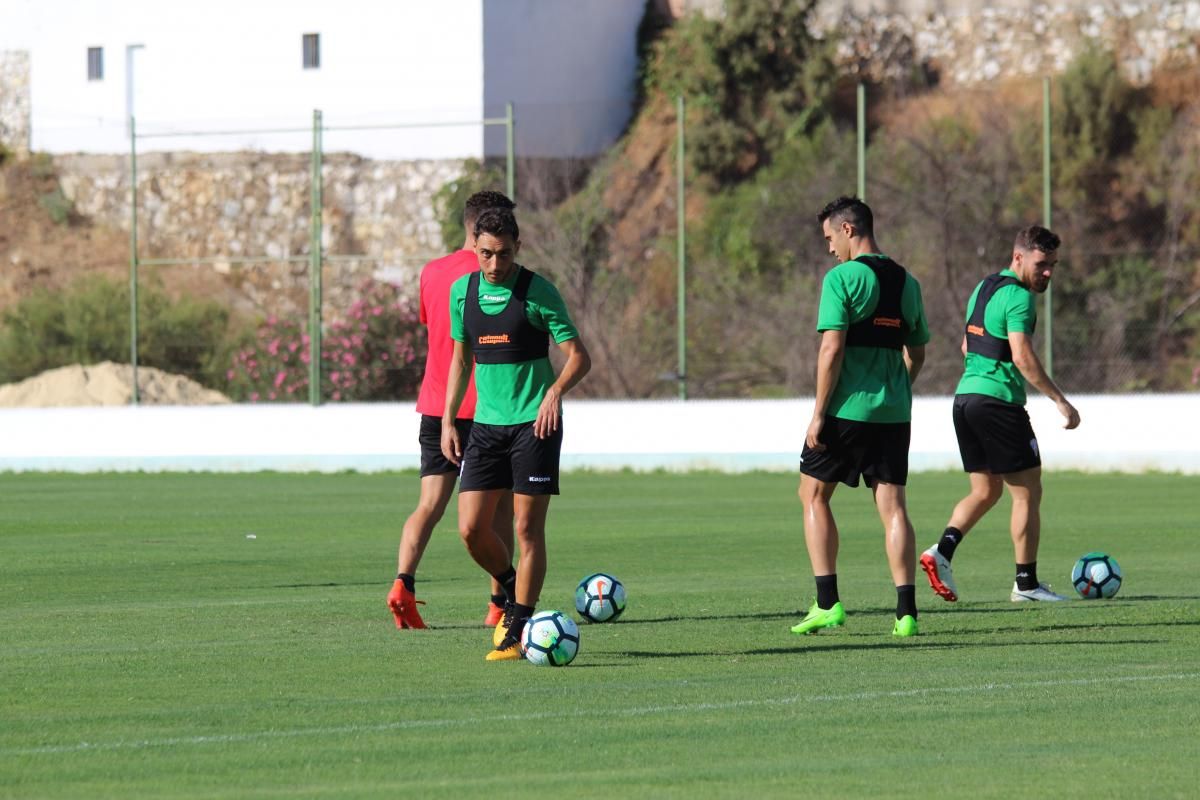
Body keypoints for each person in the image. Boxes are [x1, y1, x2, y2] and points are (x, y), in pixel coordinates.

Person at [441, 206, 591, 661]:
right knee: (470, 530)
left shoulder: (538, 292)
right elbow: (461, 360)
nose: (494, 264)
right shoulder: (461, 293)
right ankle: (511, 586)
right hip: (486, 427)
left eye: (503, 254)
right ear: (474, 247)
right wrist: (450, 418)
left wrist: (554, 394)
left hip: (535, 425)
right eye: (485, 254)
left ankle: (519, 626)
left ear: (517, 248)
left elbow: (579, 356)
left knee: (527, 529)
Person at [792, 196, 930, 639]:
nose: (829, 248)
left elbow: (831, 349)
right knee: (893, 509)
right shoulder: (908, 282)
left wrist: (818, 413)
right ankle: (906, 613)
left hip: (846, 410)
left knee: (812, 494)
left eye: (830, 237)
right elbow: (918, 351)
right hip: (894, 412)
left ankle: (827, 603)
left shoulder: (842, 279)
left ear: (848, 229)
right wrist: (897, 387)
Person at [920, 225, 1080, 603]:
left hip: (965, 400)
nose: (1048, 273)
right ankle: (1026, 584)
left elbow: (966, 344)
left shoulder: (984, 287)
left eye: (1054, 265)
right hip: (997, 404)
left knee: (985, 490)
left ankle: (940, 553)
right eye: (1042, 264)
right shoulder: (1020, 298)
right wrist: (1060, 400)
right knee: (1027, 492)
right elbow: (1022, 356)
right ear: (1019, 257)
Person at [386, 190, 518, 630]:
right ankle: (499, 603)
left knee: (428, 505)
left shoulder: (432, 272)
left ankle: (403, 584)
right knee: (497, 512)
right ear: (484, 228)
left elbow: (434, 327)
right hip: (485, 408)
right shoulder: (498, 275)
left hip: (434, 405)